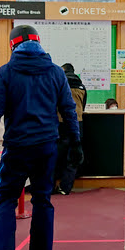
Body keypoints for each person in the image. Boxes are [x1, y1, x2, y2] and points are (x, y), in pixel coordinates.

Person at [0, 25, 82, 250]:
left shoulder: (7, 72)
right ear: (39, 43)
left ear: (13, 45)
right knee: (43, 201)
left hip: (17, 147)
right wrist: (76, 141)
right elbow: (69, 110)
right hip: (46, 147)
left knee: (6, 200)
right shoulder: (56, 72)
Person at [54, 63, 88, 195]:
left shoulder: (60, 84)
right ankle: (65, 187)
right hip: (77, 123)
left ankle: (50, 186)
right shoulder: (81, 86)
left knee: (55, 154)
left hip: (60, 123)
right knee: (73, 156)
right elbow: (83, 106)